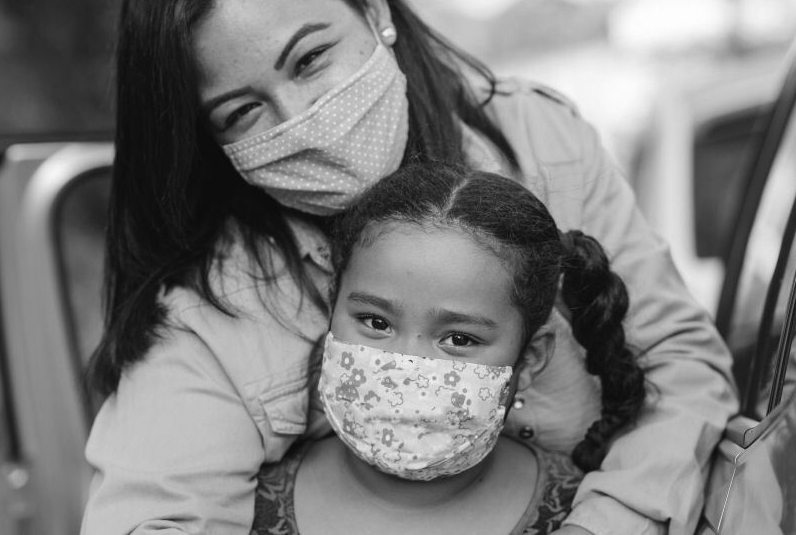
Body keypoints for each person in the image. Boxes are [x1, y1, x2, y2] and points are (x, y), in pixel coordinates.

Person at [81, 0, 738, 535]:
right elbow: (157, 513)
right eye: (243, 112)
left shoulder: (540, 143)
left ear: (372, 9)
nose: (300, 120)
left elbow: (677, 365)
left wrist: (610, 522)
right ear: (211, 141)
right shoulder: (213, 309)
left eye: (310, 59)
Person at [250, 162, 647, 535]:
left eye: (459, 339)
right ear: (333, 307)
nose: (405, 367)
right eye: (376, 322)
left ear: (529, 359)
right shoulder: (244, 506)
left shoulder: (582, 513)